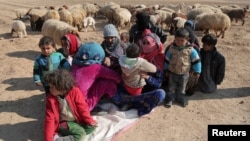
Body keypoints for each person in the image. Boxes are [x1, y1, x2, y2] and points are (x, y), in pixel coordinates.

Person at [111, 29, 166, 116]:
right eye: (144, 43)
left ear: (155, 44)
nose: (145, 46)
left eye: (148, 43)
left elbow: (159, 83)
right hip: (129, 90)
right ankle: (132, 103)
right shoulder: (135, 58)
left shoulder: (159, 59)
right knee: (112, 88)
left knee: (161, 93)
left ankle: (131, 104)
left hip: (144, 93)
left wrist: (148, 78)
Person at [44, 69, 97, 141]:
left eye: (52, 87)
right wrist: (48, 139)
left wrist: (89, 121)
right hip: (64, 123)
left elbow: (82, 108)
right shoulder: (51, 99)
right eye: (50, 87)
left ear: (61, 87)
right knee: (81, 134)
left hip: (76, 120)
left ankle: (72, 134)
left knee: (92, 127)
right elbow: (50, 119)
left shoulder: (75, 91)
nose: (50, 89)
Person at [71, 42, 121, 111]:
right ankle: (116, 99)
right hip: (83, 107)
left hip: (70, 103)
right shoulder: (95, 68)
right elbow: (116, 76)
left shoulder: (75, 64)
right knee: (108, 82)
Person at [164, 28, 201, 108]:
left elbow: (196, 61)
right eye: (177, 40)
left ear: (187, 39)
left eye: (182, 40)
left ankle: (180, 98)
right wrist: (166, 69)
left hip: (184, 73)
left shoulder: (191, 50)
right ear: (174, 39)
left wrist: (197, 71)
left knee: (182, 87)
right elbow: (167, 60)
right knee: (171, 87)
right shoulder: (171, 49)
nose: (179, 42)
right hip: (172, 72)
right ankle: (170, 99)